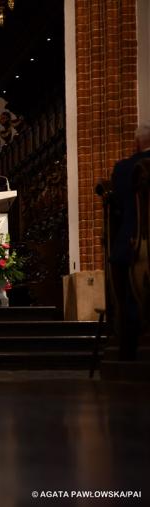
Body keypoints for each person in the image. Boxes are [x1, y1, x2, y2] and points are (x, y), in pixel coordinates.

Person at [109, 123, 150, 360]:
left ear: (136, 143)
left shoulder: (124, 168)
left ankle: (128, 347)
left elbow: (117, 205)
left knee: (128, 296)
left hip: (131, 242)